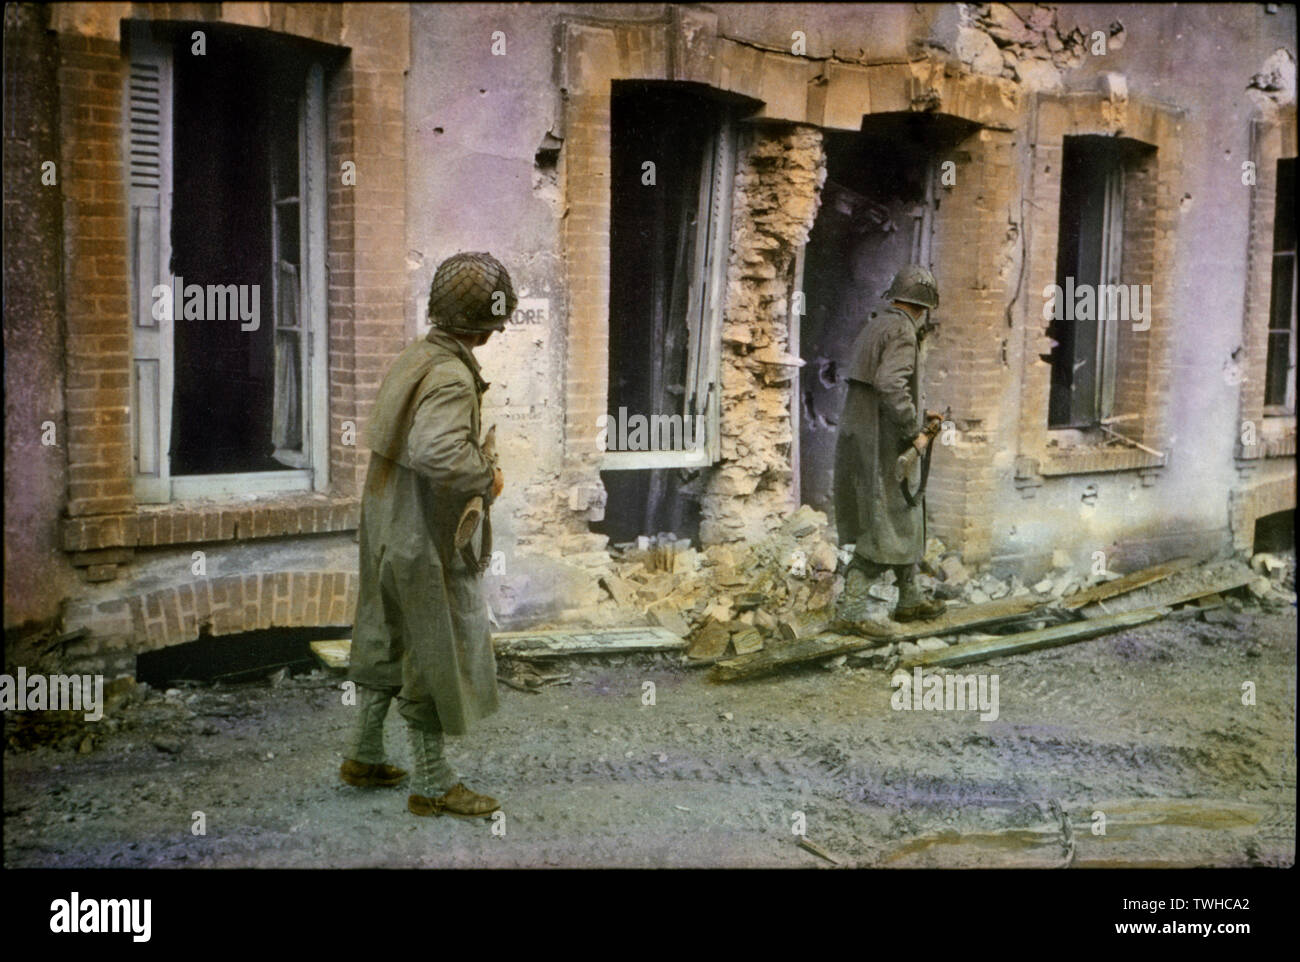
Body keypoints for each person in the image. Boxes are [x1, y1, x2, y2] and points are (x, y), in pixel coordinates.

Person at [340, 251, 514, 819]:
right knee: (432, 645)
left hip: (386, 518)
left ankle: (364, 754)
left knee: (384, 629)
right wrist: (487, 476)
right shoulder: (451, 375)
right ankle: (434, 784)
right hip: (421, 530)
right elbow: (437, 451)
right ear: (487, 327)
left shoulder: (417, 356)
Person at [833, 264, 946, 624]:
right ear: (925, 306)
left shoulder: (877, 323)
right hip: (883, 440)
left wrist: (915, 410)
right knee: (883, 522)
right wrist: (915, 427)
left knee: (903, 513)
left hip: (864, 435)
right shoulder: (902, 331)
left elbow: (884, 385)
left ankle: (909, 598)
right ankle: (850, 613)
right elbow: (890, 385)